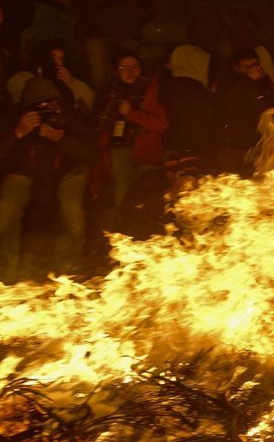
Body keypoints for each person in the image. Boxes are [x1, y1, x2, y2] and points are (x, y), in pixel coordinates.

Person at [0, 75, 96, 279]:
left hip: (67, 173)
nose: (48, 109)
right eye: (41, 105)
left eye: (52, 103)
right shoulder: (13, 117)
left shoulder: (70, 116)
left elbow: (91, 155)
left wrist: (62, 139)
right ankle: (7, 268)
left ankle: (70, 266)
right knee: (6, 210)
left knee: (73, 211)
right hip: (23, 172)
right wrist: (18, 133)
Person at [93, 51, 168, 225]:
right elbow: (100, 124)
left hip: (147, 148)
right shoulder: (108, 92)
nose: (130, 72)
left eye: (134, 67)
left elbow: (160, 124)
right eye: (124, 68)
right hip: (119, 147)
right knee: (122, 190)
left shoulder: (152, 92)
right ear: (116, 71)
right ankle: (125, 233)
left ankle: (147, 232)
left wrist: (131, 113)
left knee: (149, 192)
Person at [215, 49, 274, 175]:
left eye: (256, 65)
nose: (253, 69)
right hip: (235, 146)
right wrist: (249, 81)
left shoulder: (264, 82)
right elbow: (231, 105)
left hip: (259, 144)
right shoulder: (229, 83)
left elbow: (272, 106)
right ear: (237, 68)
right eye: (247, 67)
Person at [162, 44, 219, 167]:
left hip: (176, 145)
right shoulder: (191, 88)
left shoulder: (169, 86)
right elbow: (201, 120)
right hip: (191, 149)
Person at [7, 40, 95, 111]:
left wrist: (72, 83)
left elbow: (89, 103)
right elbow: (18, 105)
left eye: (61, 58)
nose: (59, 62)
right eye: (53, 56)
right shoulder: (22, 78)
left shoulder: (67, 80)